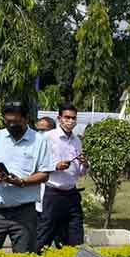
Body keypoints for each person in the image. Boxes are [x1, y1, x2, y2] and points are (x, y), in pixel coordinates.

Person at [0, 102, 56, 254]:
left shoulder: (39, 141)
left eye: (16, 121)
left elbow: (45, 174)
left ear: (26, 119)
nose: (11, 125)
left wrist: (21, 181)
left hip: (24, 213)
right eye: (8, 122)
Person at [39, 104, 89, 248]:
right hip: (53, 193)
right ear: (59, 118)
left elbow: (79, 172)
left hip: (71, 193)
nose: (70, 121)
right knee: (46, 232)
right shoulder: (48, 137)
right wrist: (55, 165)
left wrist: (85, 165)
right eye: (67, 117)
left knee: (75, 233)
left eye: (73, 118)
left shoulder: (77, 141)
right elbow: (38, 163)